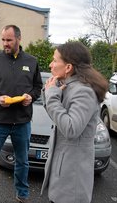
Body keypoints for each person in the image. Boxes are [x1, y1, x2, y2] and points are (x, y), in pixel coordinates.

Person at [0, 25, 43, 203]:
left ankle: (22, 195)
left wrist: (31, 96)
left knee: (22, 162)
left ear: (19, 39)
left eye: (9, 40)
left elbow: (38, 87)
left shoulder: (31, 61)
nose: (5, 44)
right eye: (3, 40)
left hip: (22, 122)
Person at [40, 42, 108, 203]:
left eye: (55, 60)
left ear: (68, 67)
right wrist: (50, 92)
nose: (50, 64)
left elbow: (71, 129)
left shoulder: (83, 91)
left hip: (72, 180)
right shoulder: (69, 86)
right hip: (63, 172)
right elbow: (57, 116)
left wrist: (52, 96)